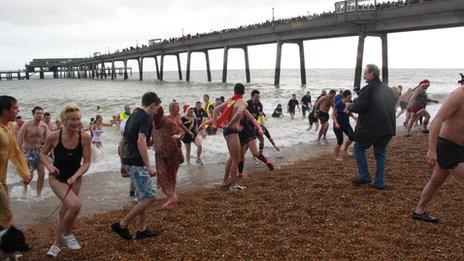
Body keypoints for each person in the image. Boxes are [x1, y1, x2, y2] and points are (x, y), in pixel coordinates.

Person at [41, 103, 91, 257]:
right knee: (75, 206)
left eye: (78, 119)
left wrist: (76, 176)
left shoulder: (85, 137)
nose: (76, 122)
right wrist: (49, 167)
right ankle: (67, 234)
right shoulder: (54, 136)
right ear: (64, 120)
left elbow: (87, 162)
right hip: (57, 179)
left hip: (75, 179)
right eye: (72, 120)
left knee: (64, 212)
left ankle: (56, 244)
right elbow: (42, 154)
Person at [412, 75, 464, 223]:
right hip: (448, 146)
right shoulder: (459, 95)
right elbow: (438, 119)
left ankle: (419, 211)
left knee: (436, 180)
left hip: (460, 148)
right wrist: (432, 149)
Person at [112, 92, 161, 241]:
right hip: (137, 163)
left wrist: (122, 163)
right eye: (157, 107)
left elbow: (123, 141)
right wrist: (149, 165)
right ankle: (122, 224)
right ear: (152, 105)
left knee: (142, 196)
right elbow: (141, 141)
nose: (157, 110)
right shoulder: (146, 118)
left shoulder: (133, 115)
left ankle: (141, 230)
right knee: (151, 195)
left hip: (129, 160)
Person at [347, 64, 396, 189]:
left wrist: (349, 106)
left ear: (372, 74)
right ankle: (379, 182)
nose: (363, 76)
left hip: (372, 127)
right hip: (388, 127)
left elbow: (359, 107)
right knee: (380, 154)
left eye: (365, 73)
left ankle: (364, 176)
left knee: (358, 148)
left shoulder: (367, 89)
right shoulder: (388, 89)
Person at [211, 83, 263, 192]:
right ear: (244, 93)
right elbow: (239, 113)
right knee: (237, 158)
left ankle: (225, 180)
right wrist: (230, 124)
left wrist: (215, 125)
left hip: (226, 131)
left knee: (232, 157)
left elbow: (214, 110)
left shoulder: (230, 101)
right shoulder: (242, 102)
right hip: (233, 131)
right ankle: (233, 185)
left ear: (234, 91)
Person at [0, 96, 31, 229]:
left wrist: (24, 172)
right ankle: (8, 246)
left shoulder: (10, 127)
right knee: (6, 213)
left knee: (3, 211)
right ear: (5, 111)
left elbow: (15, 152)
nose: (18, 110)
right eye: (15, 108)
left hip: (2, 178)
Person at [152, 107, 184, 208]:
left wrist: (178, 137)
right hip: (159, 154)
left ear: (160, 115)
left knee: (171, 175)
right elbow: (152, 138)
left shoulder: (168, 122)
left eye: (156, 117)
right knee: (161, 175)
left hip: (173, 152)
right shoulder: (152, 123)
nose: (155, 119)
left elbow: (181, 132)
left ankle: (171, 197)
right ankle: (172, 196)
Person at [17, 106, 48, 197]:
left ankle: (39, 194)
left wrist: (47, 152)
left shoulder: (44, 126)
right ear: (33, 114)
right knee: (29, 176)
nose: (39, 115)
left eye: (41, 113)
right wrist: (21, 154)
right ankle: (25, 189)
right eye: (37, 113)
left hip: (39, 152)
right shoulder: (27, 125)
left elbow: (47, 141)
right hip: (28, 152)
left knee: (42, 174)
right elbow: (19, 140)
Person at [332, 90, 355, 161]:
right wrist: (336, 123)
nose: (350, 99)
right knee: (340, 141)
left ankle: (345, 150)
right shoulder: (338, 104)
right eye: (348, 97)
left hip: (346, 124)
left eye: (350, 97)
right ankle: (336, 156)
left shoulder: (350, 103)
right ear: (344, 97)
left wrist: (354, 117)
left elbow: (349, 112)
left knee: (353, 137)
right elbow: (333, 115)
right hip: (338, 125)